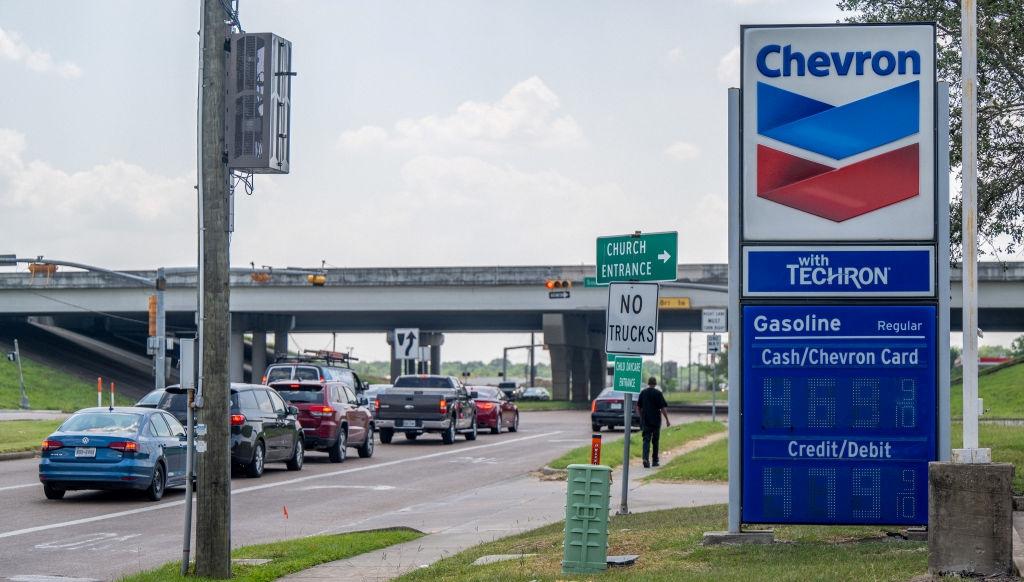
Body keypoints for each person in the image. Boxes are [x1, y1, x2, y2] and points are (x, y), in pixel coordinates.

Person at [636, 376, 670, 468]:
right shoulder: (658, 393)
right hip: (656, 421)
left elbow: (638, 407)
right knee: (655, 441)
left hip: (646, 420)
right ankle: (655, 461)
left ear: (648, 383)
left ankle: (645, 459)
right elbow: (662, 408)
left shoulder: (643, 393)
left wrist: (641, 417)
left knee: (646, 440)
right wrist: (667, 419)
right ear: (655, 383)